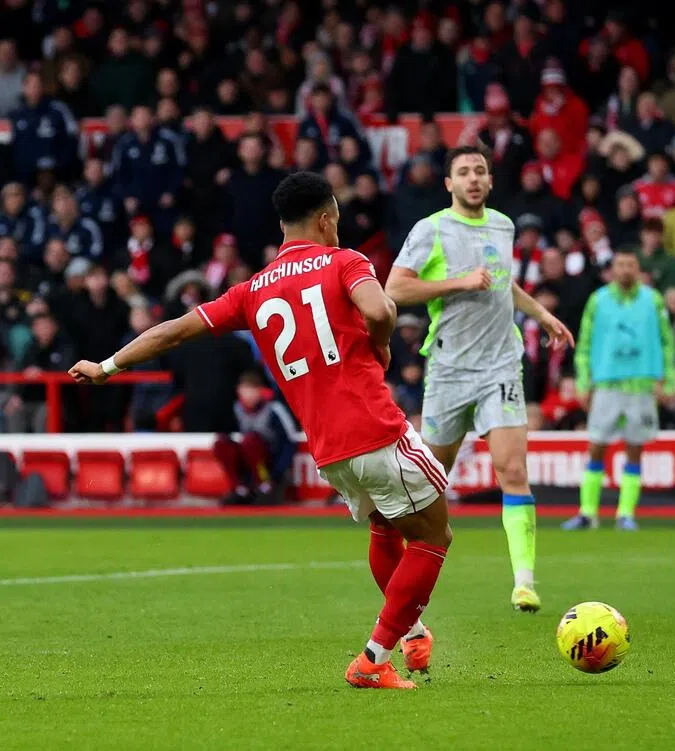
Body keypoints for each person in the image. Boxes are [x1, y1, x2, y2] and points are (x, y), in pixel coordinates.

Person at [69, 171, 453, 690]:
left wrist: (108, 365)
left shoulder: (253, 289)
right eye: (335, 219)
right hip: (375, 428)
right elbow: (380, 307)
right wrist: (381, 343)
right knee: (434, 535)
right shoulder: (345, 261)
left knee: (386, 526)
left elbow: (173, 331)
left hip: (327, 449)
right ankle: (373, 658)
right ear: (325, 219)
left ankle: (412, 633)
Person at [386, 144, 574, 613]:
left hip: (500, 365)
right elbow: (395, 288)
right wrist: (458, 282)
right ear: (448, 183)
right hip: (449, 369)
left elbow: (501, 281)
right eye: (463, 172)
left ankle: (525, 582)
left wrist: (542, 315)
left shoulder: (504, 226)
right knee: (431, 482)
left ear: (489, 181)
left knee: (512, 470)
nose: (472, 178)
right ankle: (410, 577)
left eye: (480, 171)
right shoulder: (431, 230)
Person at [563, 249, 675, 531]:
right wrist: (583, 381)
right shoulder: (598, 300)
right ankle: (588, 513)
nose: (625, 269)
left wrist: (669, 379)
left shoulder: (653, 300)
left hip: (641, 384)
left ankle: (626, 514)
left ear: (638, 268)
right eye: (621, 264)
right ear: (613, 269)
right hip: (607, 383)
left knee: (635, 448)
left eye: (631, 264)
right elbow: (585, 343)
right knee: (596, 447)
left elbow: (666, 341)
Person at [214, 370, 299, 505]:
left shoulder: (274, 409)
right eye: (245, 389)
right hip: (249, 462)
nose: (248, 395)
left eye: (252, 390)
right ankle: (240, 489)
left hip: (269, 463)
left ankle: (266, 486)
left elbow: (290, 441)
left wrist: (277, 473)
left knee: (251, 441)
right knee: (222, 444)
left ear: (260, 391)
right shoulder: (236, 409)